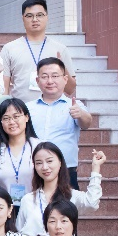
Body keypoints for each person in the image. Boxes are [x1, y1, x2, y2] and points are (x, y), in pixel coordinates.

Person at [17, 144, 105, 236]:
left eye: (49, 161)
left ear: (60, 162)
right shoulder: (28, 200)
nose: (44, 167)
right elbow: (19, 235)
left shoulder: (72, 196)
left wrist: (95, 168)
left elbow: (92, 204)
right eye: (39, 163)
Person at [28, 58, 93, 189]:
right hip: (34, 170)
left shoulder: (74, 105)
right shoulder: (27, 108)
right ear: (37, 81)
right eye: (44, 77)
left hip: (66, 171)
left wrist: (80, 114)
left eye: (55, 76)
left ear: (65, 79)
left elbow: (86, 123)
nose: (50, 81)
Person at [2, 0, 76, 102]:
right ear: (23, 19)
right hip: (20, 109)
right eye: (29, 16)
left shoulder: (60, 49)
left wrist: (62, 67)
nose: (35, 19)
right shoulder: (9, 49)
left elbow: (70, 90)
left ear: (47, 17)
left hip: (52, 108)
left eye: (39, 15)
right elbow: (4, 88)